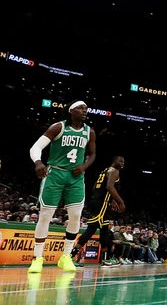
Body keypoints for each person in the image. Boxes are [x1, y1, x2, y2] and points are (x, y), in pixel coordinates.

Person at [28, 100, 96, 273]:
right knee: (45, 215)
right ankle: (37, 259)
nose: (84, 110)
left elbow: (92, 154)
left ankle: (65, 257)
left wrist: (84, 166)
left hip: (76, 177)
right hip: (55, 174)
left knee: (75, 216)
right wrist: (38, 163)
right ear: (71, 110)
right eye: (80, 108)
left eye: (86, 108)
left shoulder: (90, 132)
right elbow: (35, 147)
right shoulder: (58, 127)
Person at [72, 156, 126, 266]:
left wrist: (109, 200)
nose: (122, 163)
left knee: (98, 230)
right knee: (98, 231)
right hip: (102, 205)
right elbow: (110, 187)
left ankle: (73, 256)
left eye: (124, 161)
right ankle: (104, 259)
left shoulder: (104, 171)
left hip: (96, 202)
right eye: (120, 161)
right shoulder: (114, 171)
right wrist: (120, 202)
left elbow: (94, 188)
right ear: (114, 161)